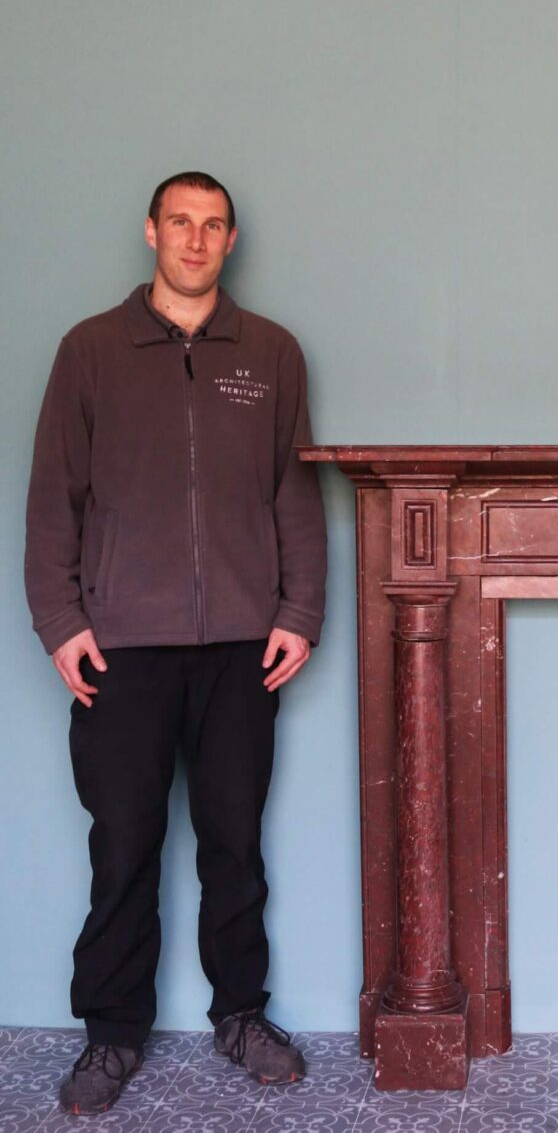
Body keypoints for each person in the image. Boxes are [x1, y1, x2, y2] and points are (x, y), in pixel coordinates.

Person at [24, 172, 327, 1116]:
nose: (196, 239)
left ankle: (241, 1015)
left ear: (231, 241)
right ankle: (112, 1032)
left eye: (213, 225)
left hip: (243, 645)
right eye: (180, 222)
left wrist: (300, 611)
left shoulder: (271, 352)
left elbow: (293, 493)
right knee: (124, 846)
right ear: (151, 231)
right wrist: (62, 622)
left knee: (235, 844)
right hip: (121, 645)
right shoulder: (90, 350)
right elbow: (53, 496)